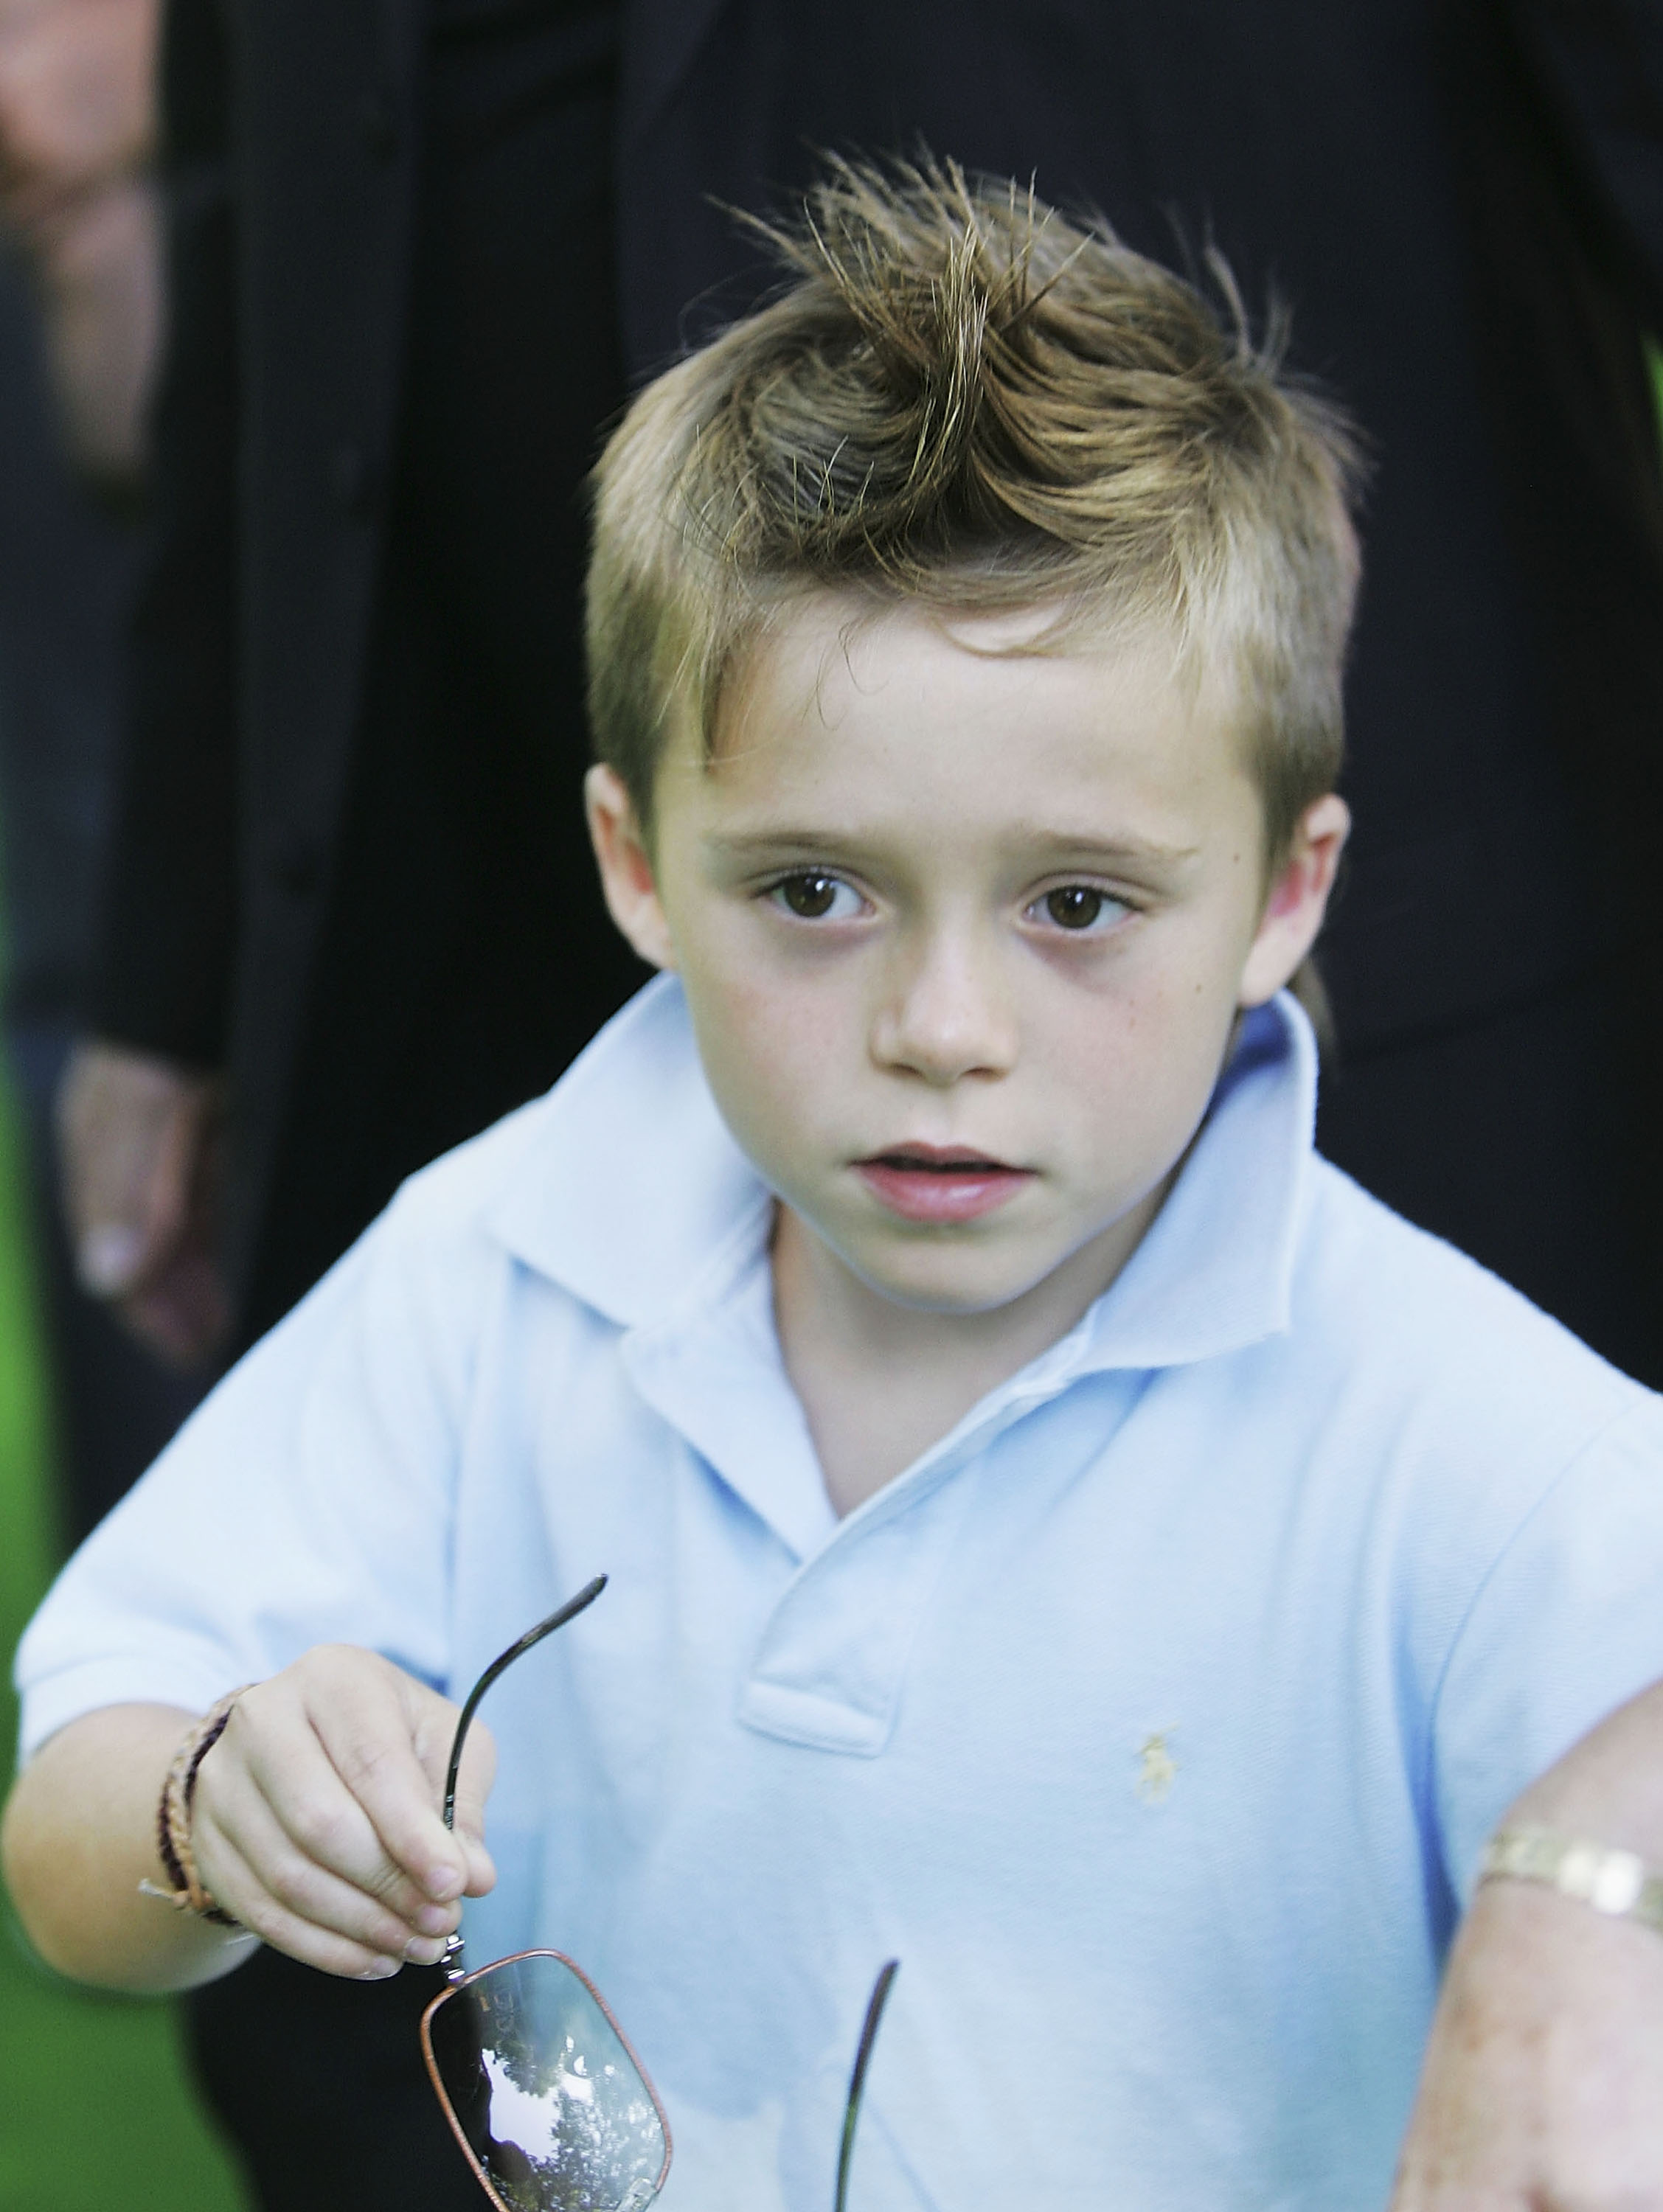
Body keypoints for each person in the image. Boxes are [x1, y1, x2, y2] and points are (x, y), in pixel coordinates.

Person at [9, 163, 1663, 2211]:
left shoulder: (1458, 1443)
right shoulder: (505, 1268)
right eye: (813, 890)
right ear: (634, 861)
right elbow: (81, 1816)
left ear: (1282, 891)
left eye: (1076, 903)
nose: (940, 1025)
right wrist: (204, 1802)